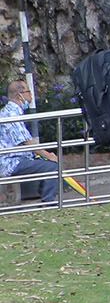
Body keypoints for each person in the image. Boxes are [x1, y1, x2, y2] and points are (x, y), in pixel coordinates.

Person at [0, 77, 60, 207]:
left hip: (16, 159)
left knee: (46, 164)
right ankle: (47, 203)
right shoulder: (11, 114)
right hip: (12, 162)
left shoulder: (12, 112)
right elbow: (26, 142)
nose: (31, 95)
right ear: (19, 95)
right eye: (28, 91)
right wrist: (48, 155)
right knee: (53, 167)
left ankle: (45, 199)